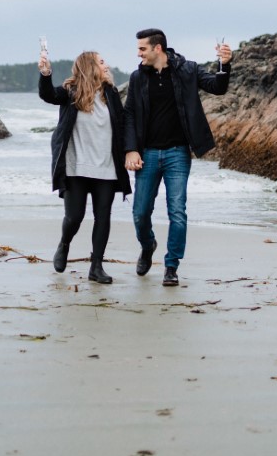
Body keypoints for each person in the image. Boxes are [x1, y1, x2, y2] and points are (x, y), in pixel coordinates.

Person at [124, 28, 232, 286]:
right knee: (140, 213)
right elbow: (129, 114)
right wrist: (131, 149)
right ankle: (148, 245)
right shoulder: (138, 78)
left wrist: (224, 65)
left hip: (178, 154)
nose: (138, 53)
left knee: (178, 213)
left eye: (142, 49)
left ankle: (171, 266)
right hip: (147, 154)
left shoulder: (188, 69)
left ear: (157, 48)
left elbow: (217, 87)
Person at [39, 50, 132, 284]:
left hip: (107, 167)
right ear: (90, 66)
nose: (106, 65)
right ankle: (64, 244)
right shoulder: (70, 92)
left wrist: (131, 151)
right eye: (102, 62)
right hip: (75, 166)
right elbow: (48, 95)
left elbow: (121, 125)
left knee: (103, 217)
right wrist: (45, 73)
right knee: (74, 217)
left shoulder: (110, 93)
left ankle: (96, 266)